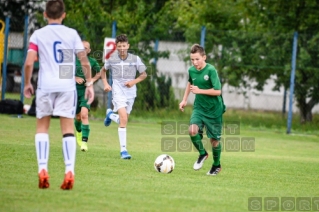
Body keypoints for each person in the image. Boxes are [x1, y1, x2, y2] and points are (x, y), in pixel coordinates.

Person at [23, 0, 94, 190]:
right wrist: (89, 84)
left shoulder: (38, 34)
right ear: (64, 15)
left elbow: (29, 62)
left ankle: (42, 169)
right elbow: (84, 62)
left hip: (46, 86)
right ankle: (69, 170)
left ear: (45, 15)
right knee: (68, 129)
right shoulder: (71, 34)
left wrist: (28, 82)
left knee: (42, 128)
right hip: (66, 86)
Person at [179, 44, 225, 176]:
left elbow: (217, 91)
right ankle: (202, 153)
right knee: (192, 130)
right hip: (199, 108)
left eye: (197, 59)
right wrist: (184, 99)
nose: (194, 62)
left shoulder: (211, 70)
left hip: (214, 110)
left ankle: (216, 165)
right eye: (192, 59)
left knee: (214, 141)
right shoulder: (192, 70)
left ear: (204, 57)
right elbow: (190, 83)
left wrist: (200, 91)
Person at [101, 34, 147, 159]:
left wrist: (133, 82)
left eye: (124, 46)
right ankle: (123, 151)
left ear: (128, 46)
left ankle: (110, 115)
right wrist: (105, 84)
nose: (122, 48)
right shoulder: (111, 59)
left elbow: (144, 75)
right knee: (124, 120)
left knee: (124, 119)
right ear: (116, 47)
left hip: (131, 93)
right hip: (118, 92)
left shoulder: (135, 59)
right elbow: (103, 71)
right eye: (119, 46)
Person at [74, 40, 101, 152]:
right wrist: (75, 78)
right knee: (78, 117)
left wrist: (91, 81)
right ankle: (79, 132)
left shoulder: (92, 62)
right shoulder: (72, 60)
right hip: (73, 92)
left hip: (86, 92)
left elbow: (100, 72)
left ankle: (84, 142)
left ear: (89, 50)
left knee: (84, 115)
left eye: (86, 48)